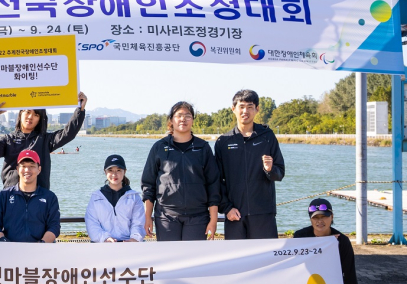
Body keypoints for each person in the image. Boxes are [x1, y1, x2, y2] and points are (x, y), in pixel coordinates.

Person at [142, 102, 220, 241]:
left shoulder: (203, 148)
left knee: (194, 255)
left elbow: (213, 185)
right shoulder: (159, 147)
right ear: (171, 120)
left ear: (193, 120)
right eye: (179, 115)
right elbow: (148, 185)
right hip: (166, 216)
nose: (183, 119)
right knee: (169, 255)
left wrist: (213, 220)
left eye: (187, 116)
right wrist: (147, 216)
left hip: (197, 217)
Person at [215, 89, 285, 239]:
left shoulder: (267, 136)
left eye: (250, 107)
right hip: (235, 214)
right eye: (241, 107)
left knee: (266, 253)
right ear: (233, 109)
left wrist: (270, 169)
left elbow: (280, 173)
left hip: (263, 213)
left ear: (257, 109)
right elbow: (217, 181)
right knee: (236, 254)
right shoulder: (223, 142)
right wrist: (227, 208)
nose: (245, 111)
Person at [0, 92, 88, 190]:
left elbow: (68, 134)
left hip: (39, 196)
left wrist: (80, 110)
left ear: (40, 119)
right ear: (20, 114)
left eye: (36, 115)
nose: (30, 117)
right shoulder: (8, 139)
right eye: (28, 112)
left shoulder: (45, 139)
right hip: (11, 195)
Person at [294, 198, 360, 284]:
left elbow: (349, 273)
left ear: (332, 217)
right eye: (315, 217)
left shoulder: (342, 241)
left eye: (324, 216)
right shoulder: (300, 236)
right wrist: (323, 243)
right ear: (310, 219)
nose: (320, 221)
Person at [0, 150, 60, 243]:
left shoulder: (50, 197)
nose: (27, 170)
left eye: (32, 166)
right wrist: (3, 241)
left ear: (39, 169)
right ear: (17, 169)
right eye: (23, 166)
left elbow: (54, 226)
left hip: (40, 249)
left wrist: (41, 244)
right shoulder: (3, 196)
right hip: (9, 249)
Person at [85, 155, 145, 242]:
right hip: (103, 244)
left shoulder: (134, 197)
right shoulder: (96, 197)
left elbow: (138, 222)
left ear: (124, 171)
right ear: (105, 172)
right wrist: (104, 238)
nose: (114, 174)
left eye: (118, 170)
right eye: (110, 170)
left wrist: (134, 239)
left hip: (128, 244)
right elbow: (91, 222)